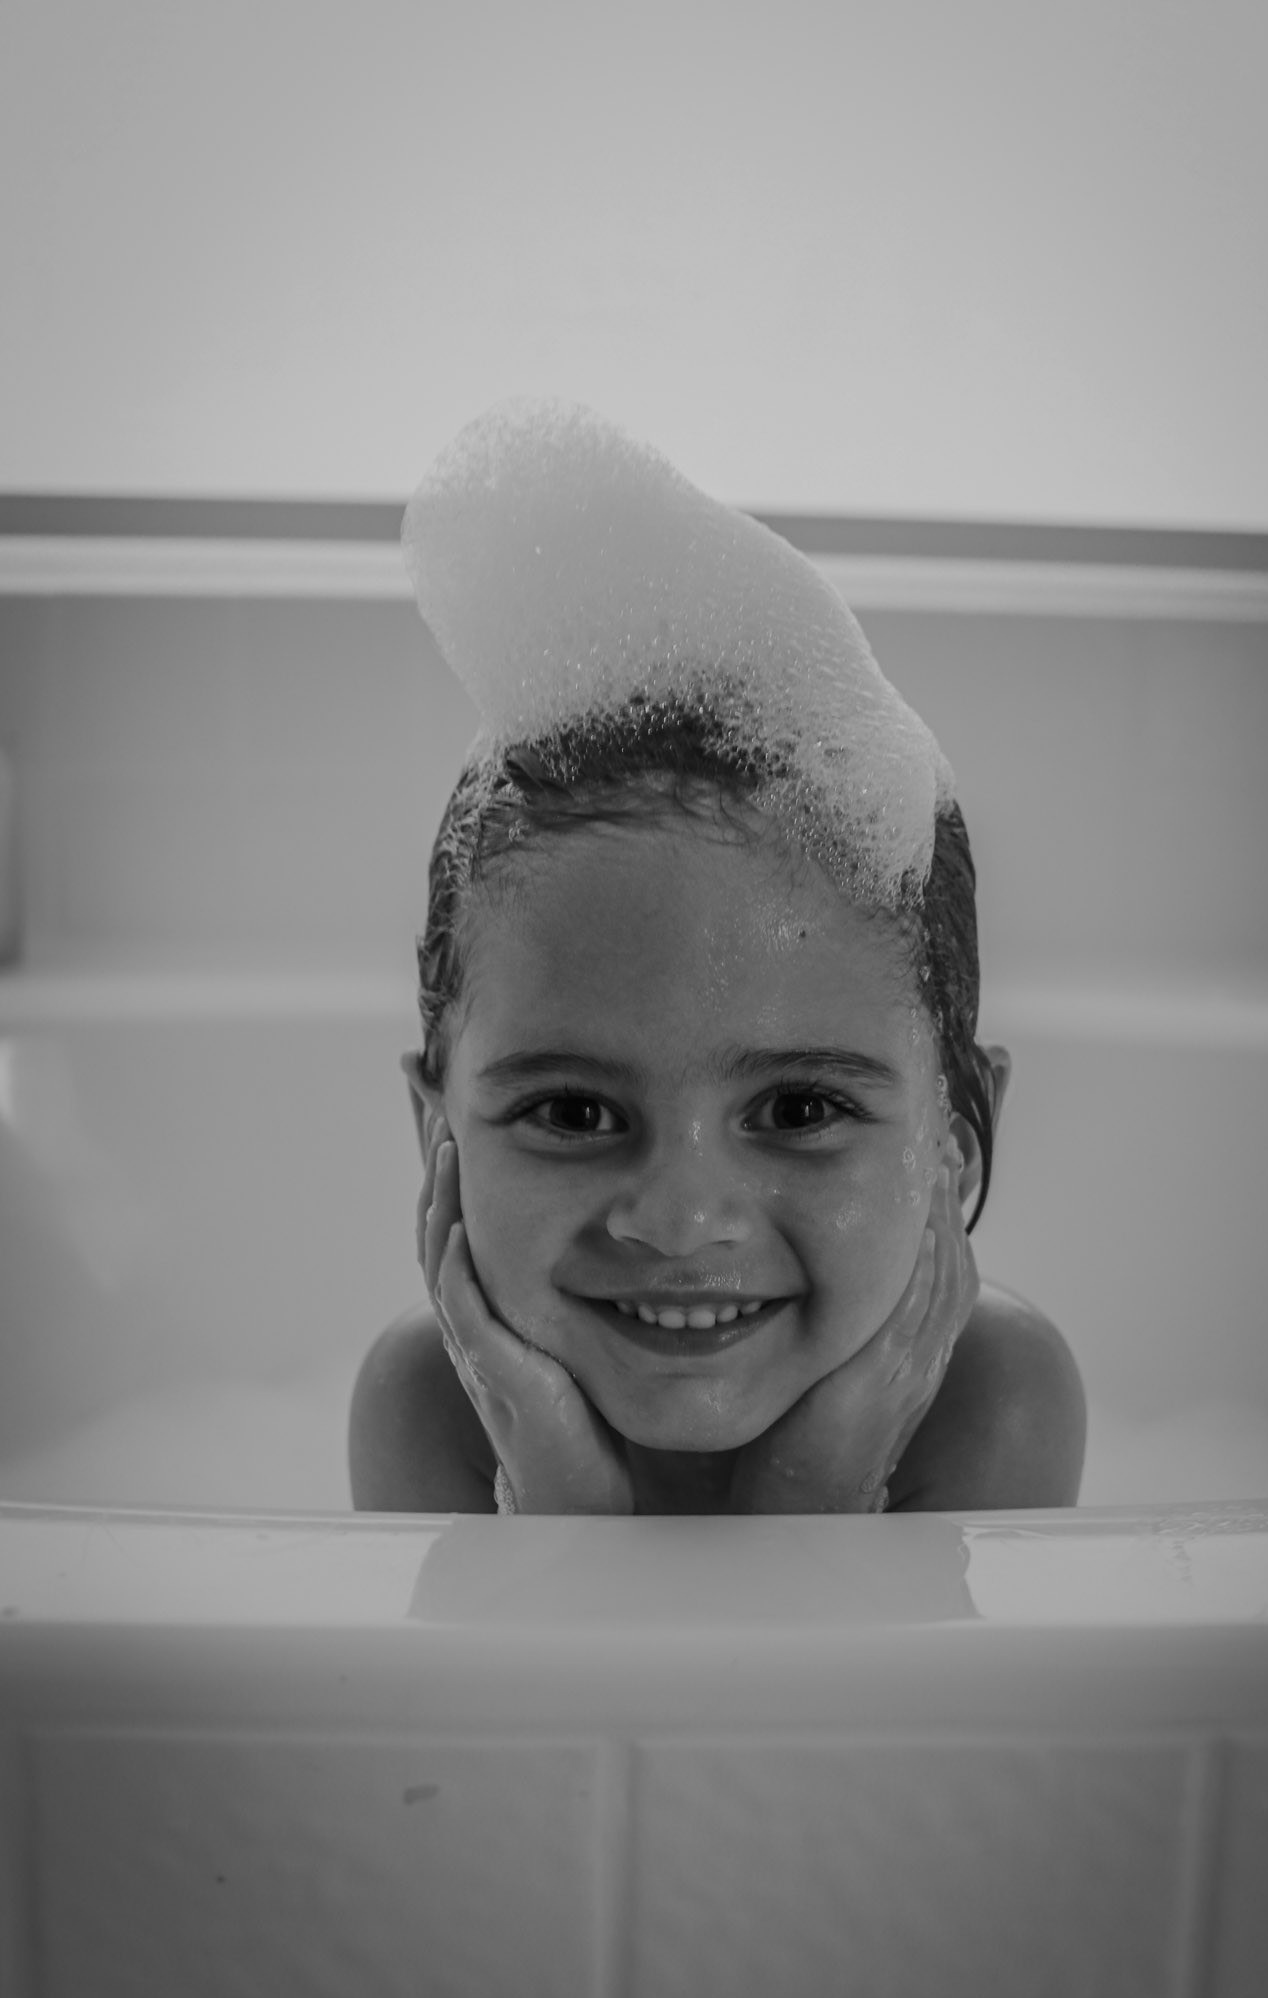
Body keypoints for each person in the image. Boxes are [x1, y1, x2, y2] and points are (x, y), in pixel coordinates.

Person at [349, 403, 1085, 1516]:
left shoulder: (991, 1398)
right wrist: (560, 1509)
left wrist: (816, 1491)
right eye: (573, 1112)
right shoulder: (429, 1406)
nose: (681, 1219)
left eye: (798, 1109)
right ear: (435, 1134)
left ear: (958, 1143)